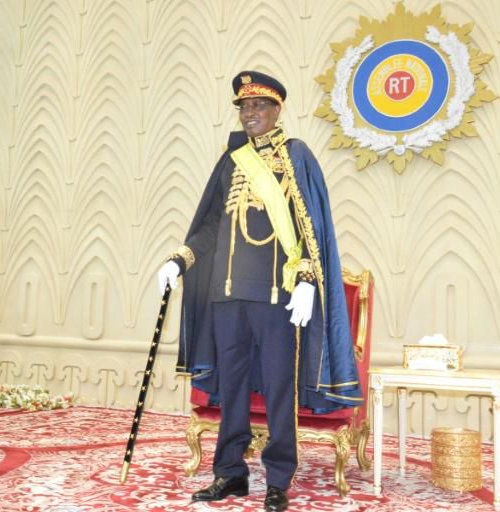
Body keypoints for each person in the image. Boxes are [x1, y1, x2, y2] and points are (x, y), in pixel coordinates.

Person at [158, 71, 362, 512]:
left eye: (258, 107)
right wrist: (181, 259)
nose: (250, 115)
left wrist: (307, 280)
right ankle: (229, 473)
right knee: (231, 388)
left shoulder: (297, 156)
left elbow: (311, 226)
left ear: (276, 110)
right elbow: (210, 226)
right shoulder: (231, 161)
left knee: (277, 388)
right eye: (244, 108)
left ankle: (278, 479)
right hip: (226, 297)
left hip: (277, 299)